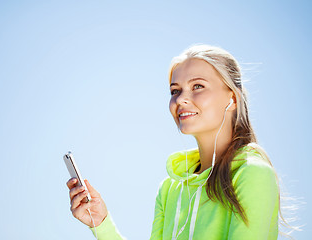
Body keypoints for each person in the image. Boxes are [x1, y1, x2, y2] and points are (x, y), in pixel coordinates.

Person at [66, 45, 280, 239]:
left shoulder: (252, 173)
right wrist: (101, 223)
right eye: (175, 91)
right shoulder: (170, 189)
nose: (180, 100)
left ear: (232, 98)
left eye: (197, 86)